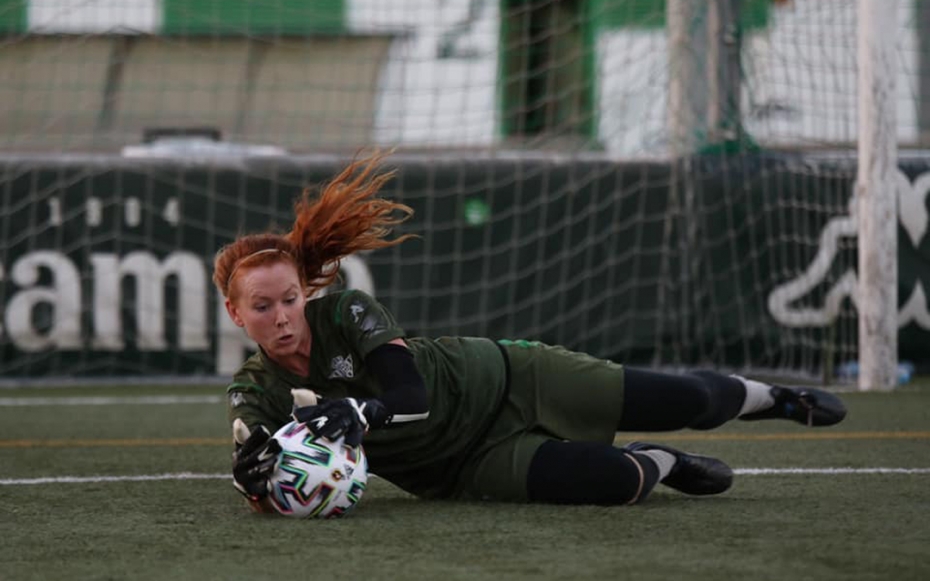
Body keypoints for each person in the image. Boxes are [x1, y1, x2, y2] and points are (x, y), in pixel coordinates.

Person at [213, 152, 847, 511]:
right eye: (263, 308)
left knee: (692, 401)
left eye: (290, 299)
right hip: (463, 468)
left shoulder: (348, 312)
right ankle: (664, 459)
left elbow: (412, 396)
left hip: (509, 378)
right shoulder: (255, 389)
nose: (282, 317)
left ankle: (774, 398)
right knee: (620, 484)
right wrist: (253, 480)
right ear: (237, 315)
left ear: (307, 292)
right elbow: (260, 475)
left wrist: (361, 411)